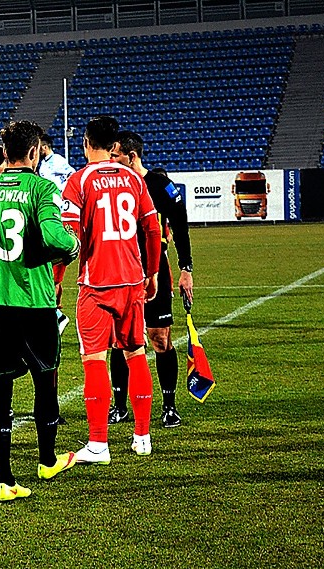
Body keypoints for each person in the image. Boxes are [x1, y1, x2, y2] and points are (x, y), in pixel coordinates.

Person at [0, 121, 80, 502]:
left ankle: (6, 481)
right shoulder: (42, 187)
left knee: (1, 391)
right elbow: (54, 237)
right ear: (34, 152)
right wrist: (73, 245)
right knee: (45, 381)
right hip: (32, 302)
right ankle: (47, 460)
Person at [61, 115, 161, 464]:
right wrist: (153, 273)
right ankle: (143, 436)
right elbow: (152, 227)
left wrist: (57, 278)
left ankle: (99, 445)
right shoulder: (133, 178)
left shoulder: (79, 180)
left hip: (96, 284)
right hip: (132, 281)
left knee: (94, 361)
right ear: (114, 145)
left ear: (86, 142)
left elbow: (67, 238)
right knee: (135, 355)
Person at [108, 133, 194, 428]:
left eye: (116, 155)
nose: (111, 160)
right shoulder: (113, 186)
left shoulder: (160, 185)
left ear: (132, 156)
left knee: (160, 339)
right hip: (120, 272)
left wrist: (187, 269)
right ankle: (119, 406)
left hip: (156, 271)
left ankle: (169, 406)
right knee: (120, 341)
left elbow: (181, 228)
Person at [38, 133, 75, 335]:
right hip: (54, 217)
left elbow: (71, 179)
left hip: (58, 219)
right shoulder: (45, 165)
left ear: (44, 147)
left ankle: (56, 315)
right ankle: (55, 313)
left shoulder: (57, 162)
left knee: (51, 275)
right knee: (52, 274)